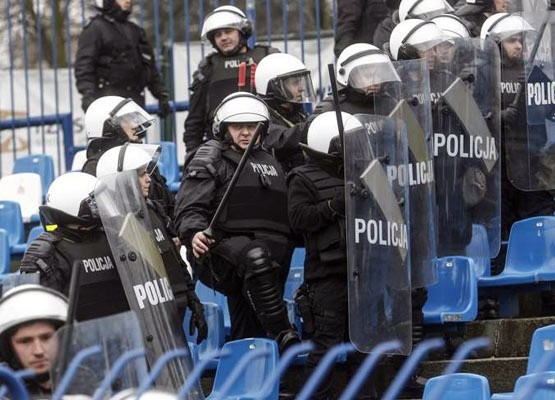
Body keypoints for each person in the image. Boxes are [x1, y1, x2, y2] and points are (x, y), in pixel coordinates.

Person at [174, 92, 300, 351]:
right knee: (256, 257)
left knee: (249, 329)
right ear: (224, 129)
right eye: (237, 126)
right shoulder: (212, 156)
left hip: (271, 259)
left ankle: (262, 381)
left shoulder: (271, 161)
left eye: (251, 126)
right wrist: (194, 233)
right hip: (222, 253)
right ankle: (283, 333)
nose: (245, 132)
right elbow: (190, 206)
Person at [481, 13, 555, 315]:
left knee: (544, 223)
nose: (520, 46)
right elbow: (472, 120)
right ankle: (497, 295)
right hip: (498, 171)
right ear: (495, 44)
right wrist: (499, 119)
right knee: (502, 234)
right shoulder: (483, 78)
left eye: (522, 40)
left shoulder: (533, 71)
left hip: (533, 167)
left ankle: (552, 291)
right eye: (513, 40)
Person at [288, 112, 378, 399]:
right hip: (327, 279)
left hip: (364, 271)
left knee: (366, 346)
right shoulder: (302, 178)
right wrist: (334, 205)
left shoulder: (366, 173)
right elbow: (299, 218)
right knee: (325, 347)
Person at [95, 143, 207, 337]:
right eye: (140, 175)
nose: (148, 180)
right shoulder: (108, 226)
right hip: (142, 329)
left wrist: (191, 298)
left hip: (172, 314)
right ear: (118, 180)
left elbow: (174, 260)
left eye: (146, 173)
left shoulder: (153, 211)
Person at [19, 172, 131, 321]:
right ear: (72, 204)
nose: (102, 205)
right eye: (94, 202)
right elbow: (39, 315)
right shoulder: (47, 252)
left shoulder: (112, 237)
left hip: (124, 333)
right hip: (77, 340)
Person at [183, 5, 279, 159]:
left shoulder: (267, 57)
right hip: (221, 153)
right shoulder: (207, 68)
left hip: (267, 147)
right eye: (217, 35)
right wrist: (193, 154)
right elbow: (195, 119)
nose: (223, 38)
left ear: (242, 31)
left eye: (228, 31)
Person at [81, 95, 174, 217]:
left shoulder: (143, 158)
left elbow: (170, 205)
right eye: (126, 119)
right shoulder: (96, 166)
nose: (134, 124)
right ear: (109, 126)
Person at [74, 0, 170, 117]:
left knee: (133, 135)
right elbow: (84, 65)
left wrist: (161, 93)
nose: (128, 0)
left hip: (135, 99)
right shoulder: (95, 28)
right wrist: (87, 94)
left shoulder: (136, 30)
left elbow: (149, 65)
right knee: (112, 135)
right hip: (107, 99)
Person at [0, 284, 67, 397]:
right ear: (7, 349)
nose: (39, 351)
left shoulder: (81, 377)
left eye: (46, 338)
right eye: (25, 341)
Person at [254, 53, 316, 172]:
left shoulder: (296, 110)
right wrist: (315, 126)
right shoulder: (259, 114)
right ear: (274, 87)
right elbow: (280, 138)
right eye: (295, 83)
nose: (302, 88)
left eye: (301, 81)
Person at [313, 43, 401, 116]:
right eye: (368, 76)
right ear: (348, 77)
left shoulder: (389, 103)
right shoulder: (331, 109)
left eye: (378, 75)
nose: (376, 81)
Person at [373, 0, 454, 53]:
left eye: (437, 13)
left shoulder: (446, 26)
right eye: (427, 15)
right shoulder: (387, 29)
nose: (433, 19)